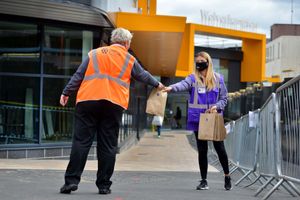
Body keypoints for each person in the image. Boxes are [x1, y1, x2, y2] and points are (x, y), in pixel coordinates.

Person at [59, 27, 164, 195]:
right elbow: (143, 75)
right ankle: (104, 185)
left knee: (81, 142)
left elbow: (78, 75)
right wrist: (158, 84)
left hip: (88, 101)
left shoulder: (94, 54)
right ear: (126, 42)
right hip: (113, 104)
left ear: (113, 40)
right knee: (107, 145)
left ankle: (71, 182)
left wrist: (66, 92)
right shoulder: (129, 59)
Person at [163, 51, 231, 191]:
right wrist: (171, 88)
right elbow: (182, 84)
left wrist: (216, 106)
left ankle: (227, 175)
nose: (199, 63)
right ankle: (204, 180)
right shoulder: (193, 78)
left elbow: (224, 98)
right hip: (197, 119)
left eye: (202, 61)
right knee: (202, 150)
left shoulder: (218, 79)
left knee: (220, 149)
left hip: (213, 119)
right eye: (197, 61)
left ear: (208, 62)